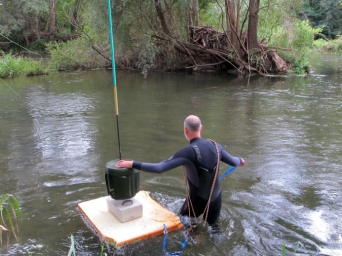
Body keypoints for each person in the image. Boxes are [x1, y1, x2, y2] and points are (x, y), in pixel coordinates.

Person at [115, 115, 245, 225]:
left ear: (185, 130)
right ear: (201, 128)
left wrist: (131, 163)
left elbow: (159, 168)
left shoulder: (187, 152)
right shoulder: (217, 147)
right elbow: (234, 161)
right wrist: (240, 159)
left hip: (197, 201)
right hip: (216, 200)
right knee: (214, 229)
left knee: (184, 219)